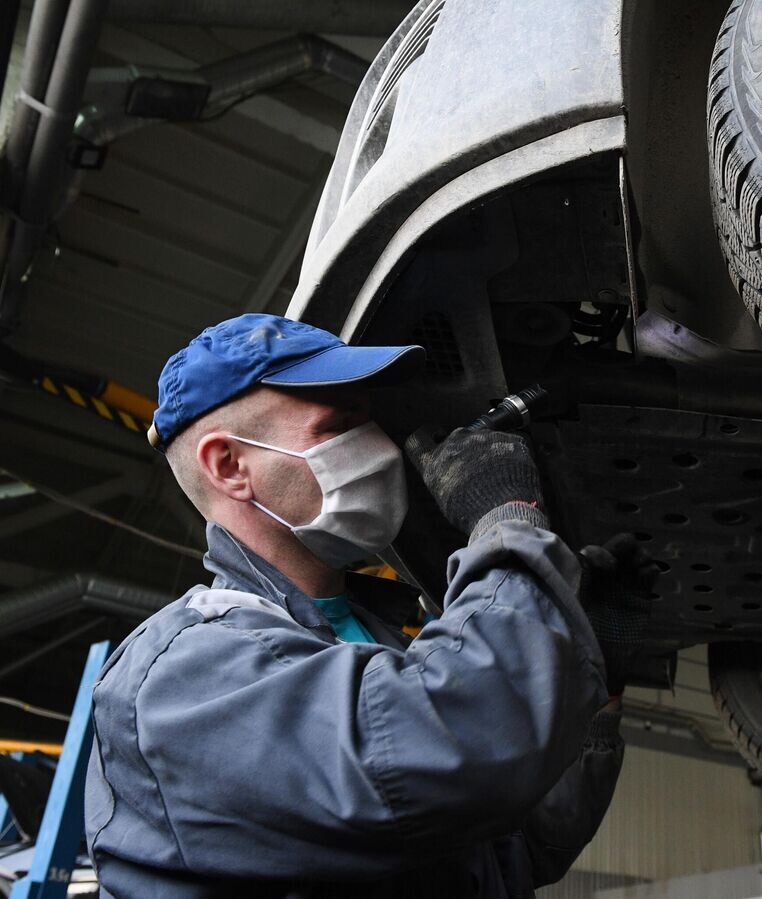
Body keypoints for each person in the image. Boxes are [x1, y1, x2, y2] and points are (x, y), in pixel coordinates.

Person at [84, 313, 651, 898]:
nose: (377, 448)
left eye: (369, 420)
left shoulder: (381, 643)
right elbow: (461, 758)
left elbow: (516, 850)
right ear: (230, 466)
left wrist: (598, 688)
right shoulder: (185, 673)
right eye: (339, 427)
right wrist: (505, 519)